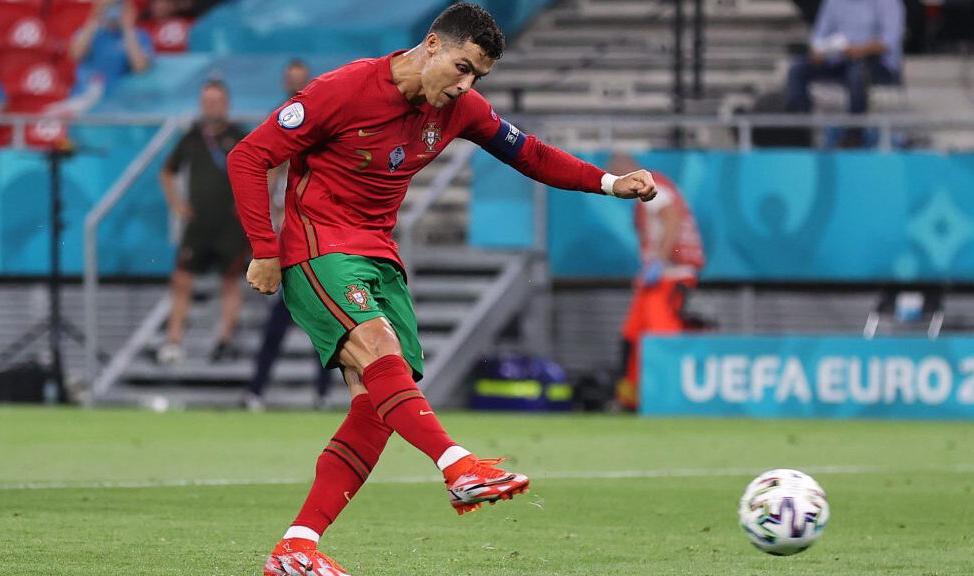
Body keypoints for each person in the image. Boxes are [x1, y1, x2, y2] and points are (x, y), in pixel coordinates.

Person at [227, 4, 658, 575]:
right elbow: (249, 155)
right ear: (431, 44)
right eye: (460, 67)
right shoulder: (345, 89)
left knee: (379, 406)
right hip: (319, 248)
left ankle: (296, 548)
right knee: (379, 351)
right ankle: (458, 467)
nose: (465, 85)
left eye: (476, 76)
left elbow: (528, 153)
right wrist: (264, 247)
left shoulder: (459, 109)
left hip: (379, 257)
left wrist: (609, 182)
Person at [244, 60, 331, 411]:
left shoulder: (316, 127)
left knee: (322, 323)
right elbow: (262, 167)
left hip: (314, 243)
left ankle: (321, 391)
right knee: (281, 325)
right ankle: (258, 390)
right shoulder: (283, 126)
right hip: (289, 246)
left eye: (299, 84)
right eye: (290, 84)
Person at [157, 80, 248, 364]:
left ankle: (224, 338)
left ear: (226, 103)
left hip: (230, 223)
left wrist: (252, 204)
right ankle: (174, 339)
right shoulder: (193, 138)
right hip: (198, 223)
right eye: (207, 101)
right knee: (182, 279)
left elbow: (264, 168)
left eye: (216, 100)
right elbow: (167, 172)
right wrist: (177, 205)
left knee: (230, 281)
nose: (211, 106)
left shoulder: (238, 136)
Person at [610, 154, 705, 412]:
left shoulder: (649, 187)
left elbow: (672, 217)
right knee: (634, 334)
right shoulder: (657, 186)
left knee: (660, 336)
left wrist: (660, 261)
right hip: (658, 277)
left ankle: (665, 397)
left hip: (669, 276)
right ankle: (630, 399)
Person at [785, 0, 905, 117]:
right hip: (838, 60)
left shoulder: (888, 2)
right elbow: (819, 36)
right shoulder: (833, 2)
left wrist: (861, 50)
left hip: (877, 64)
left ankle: (855, 133)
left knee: (857, 73)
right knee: (797, 69)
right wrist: (818, 51)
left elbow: (890, 40)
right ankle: (800, 124)